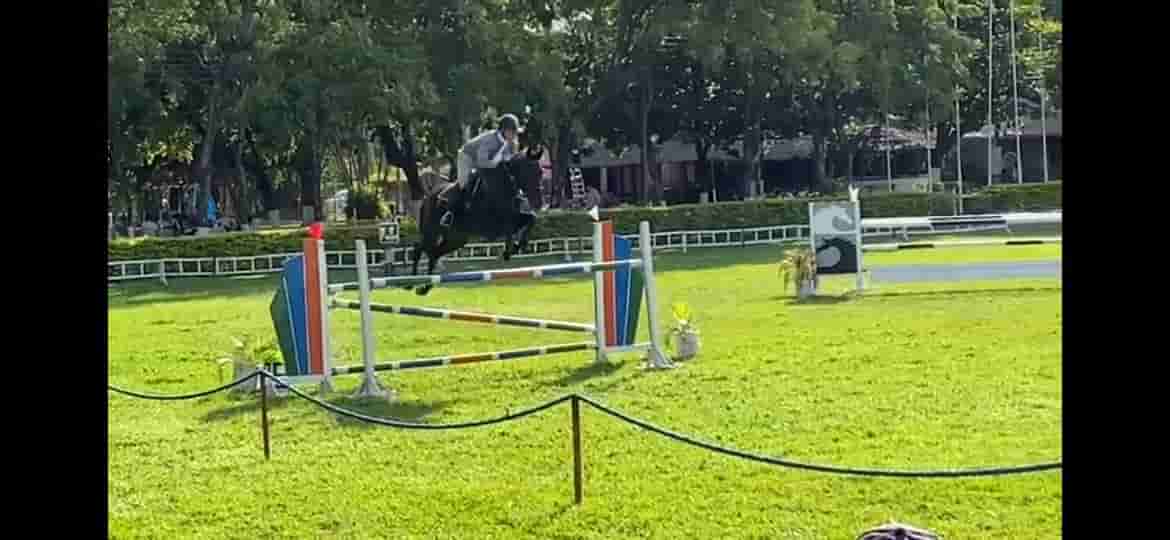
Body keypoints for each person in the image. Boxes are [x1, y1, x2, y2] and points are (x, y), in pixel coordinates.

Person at [441, 113, 522, 227]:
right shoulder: (490, 139)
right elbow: (481, 162)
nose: (514, 135)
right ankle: (450, 213)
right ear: (503, 130)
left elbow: (509, 162)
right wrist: (495, 163)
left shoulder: (512, 143)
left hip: (487, 161)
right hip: (468, 157)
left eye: (515, 132)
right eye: (512, 131)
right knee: (465, 183)